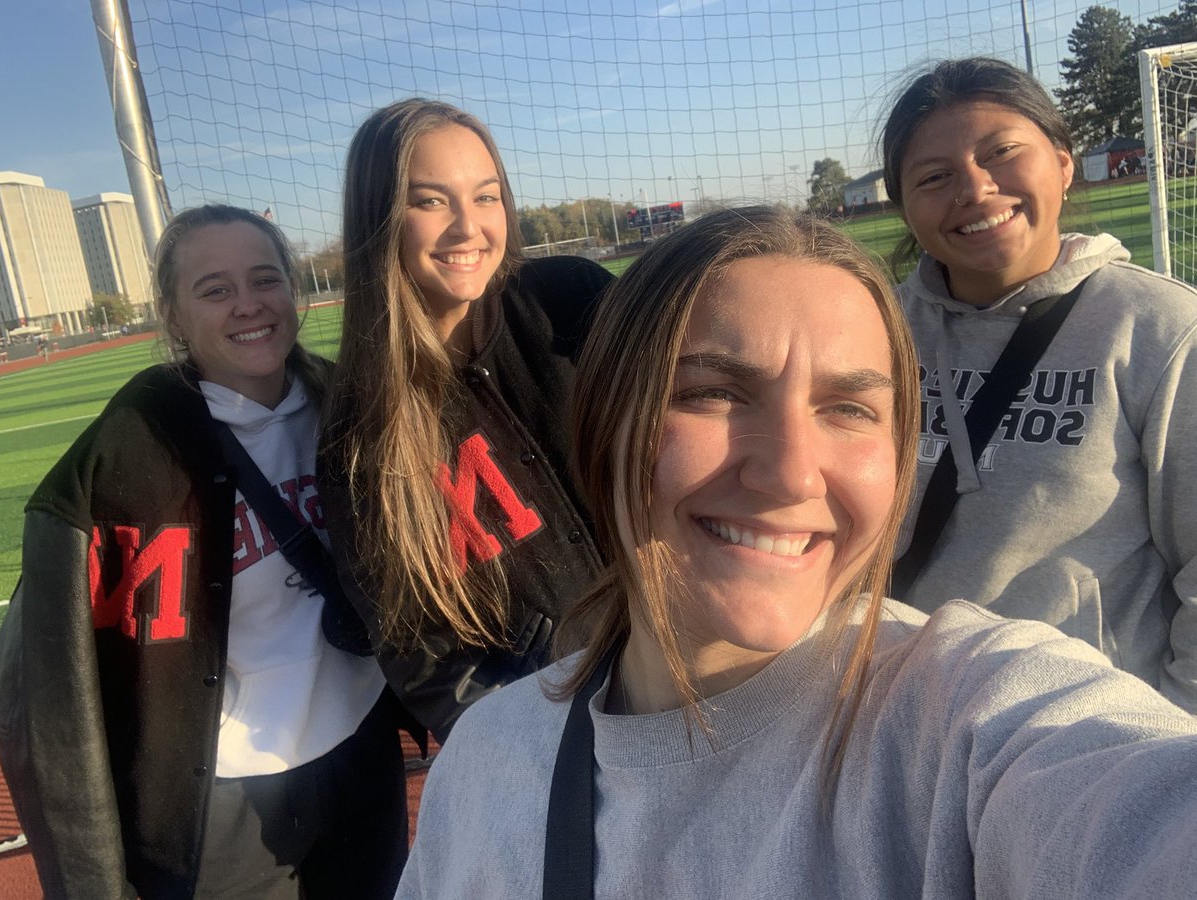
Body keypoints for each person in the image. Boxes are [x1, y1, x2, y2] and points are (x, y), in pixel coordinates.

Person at [396, 207, 1197, 899]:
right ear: (605, 422)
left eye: (848, 407)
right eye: (712, 392)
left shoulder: (970, 718)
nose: (790, 474)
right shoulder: (488, 763)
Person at [0, 205, 405, 899]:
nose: (248, 304)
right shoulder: (121, 459)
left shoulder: (354, 409)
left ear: (294, 290)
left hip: (362, 752)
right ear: (174, 317)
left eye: (265, 279)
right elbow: (47, 690)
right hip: (224, 797)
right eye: (215, 290)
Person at [880, 57, 1197, 712]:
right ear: (904, 207)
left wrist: (1168, 734)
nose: (974, 189)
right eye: (934, 177)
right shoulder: (873, 330)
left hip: (1080, 737)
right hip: (896, 718)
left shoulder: (1161, 329)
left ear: (1062, 162)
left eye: (1000, 153)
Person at [319, 99, 613, 744]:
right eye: (430, 201)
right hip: (562, 734)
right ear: (379, 219)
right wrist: (529, 742)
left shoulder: (573, 301)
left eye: (486, 197)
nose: (468, 228)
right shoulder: (359, 433)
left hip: (700, 668)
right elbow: (421, 655)